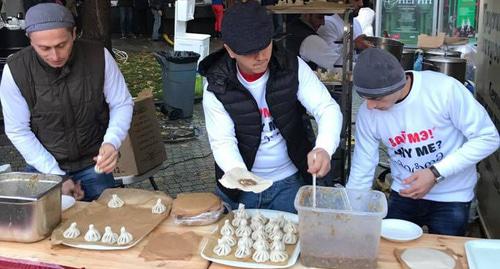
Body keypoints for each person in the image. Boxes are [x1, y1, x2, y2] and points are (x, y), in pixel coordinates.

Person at [199, 1, 343, 213]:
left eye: (264, 46)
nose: (260, 57)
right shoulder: (216, 85)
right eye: (249, 52)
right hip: (242, 186)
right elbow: (222, 141)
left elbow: (326, 107)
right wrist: (238, 173)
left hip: (290, 183)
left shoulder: (291, 66)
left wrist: (324, 147)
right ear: (230, 51)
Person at [347, 48, 500, 236]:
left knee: (446, 256)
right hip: (404, 193)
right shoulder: (368, 112)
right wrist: (351, 215)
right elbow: (363, 165)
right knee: (392, 256)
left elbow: (488, 137)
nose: (369, 106)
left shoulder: (443, 90)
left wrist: (435, 173)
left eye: (376, 98)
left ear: (398, 84)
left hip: (452, 196)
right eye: (364, 98)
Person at [0, 3, 134, 201]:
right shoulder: (16, 70)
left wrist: (112, 142)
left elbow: (121, 103)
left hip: (94, 164)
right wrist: (57, 175)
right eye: (44, 48)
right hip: (44, 169)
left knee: (102, 224)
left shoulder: (99, 57)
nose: (55, 56)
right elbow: (18, 130)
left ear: (73, 33)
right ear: (30, 39)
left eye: (61, 45)